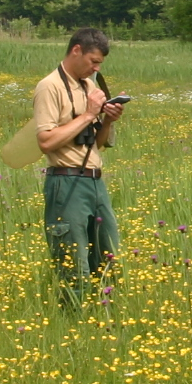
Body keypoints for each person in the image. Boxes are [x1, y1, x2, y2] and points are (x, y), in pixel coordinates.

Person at [33, 27, 126, 305]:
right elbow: (46, 141)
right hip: (66, 182)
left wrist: (107, 119)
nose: (96, 68)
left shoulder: (90, 87)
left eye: (99, 64)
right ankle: (74, 318)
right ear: (76, 51)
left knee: (107, 254)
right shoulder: (49, 86)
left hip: (95, 181)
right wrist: (88, 114)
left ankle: (106, 313)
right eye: (93, 61)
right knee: (72, 260)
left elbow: (95, 143)